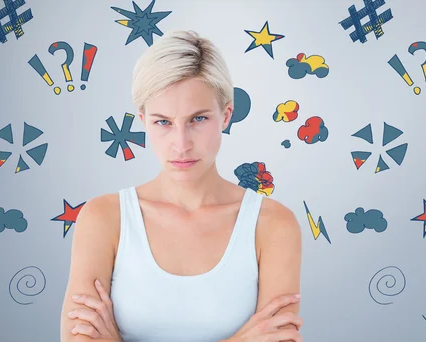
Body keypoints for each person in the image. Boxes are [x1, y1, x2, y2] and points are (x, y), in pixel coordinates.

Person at [59, 29, 303, 342]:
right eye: (163, 122)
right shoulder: (104, 219)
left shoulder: (272, 225)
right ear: (143, 121)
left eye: (198, 119)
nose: (181, 144)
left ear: (225, 115)